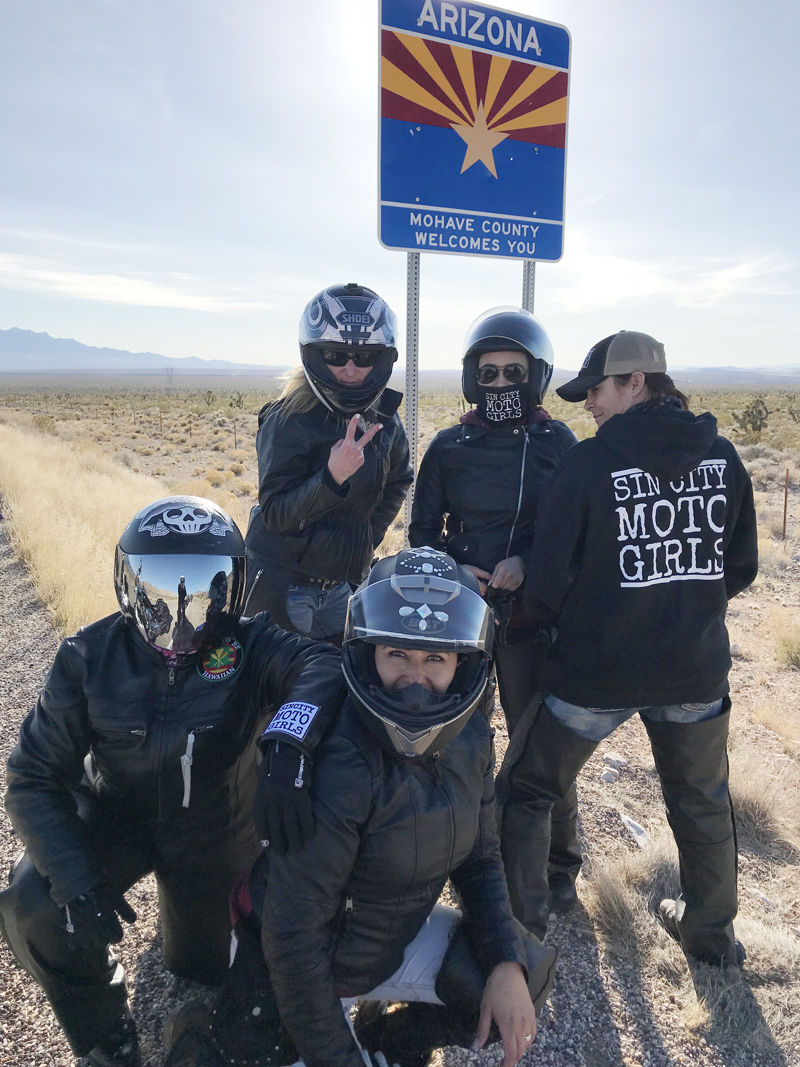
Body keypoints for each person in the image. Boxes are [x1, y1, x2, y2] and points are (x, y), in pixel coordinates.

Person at [164, 549, 557, 1067]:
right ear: (368, 651)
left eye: (435, 658)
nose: (415, 680)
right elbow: (291, 938)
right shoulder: (338, 761)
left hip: (390, 942)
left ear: (463, 662)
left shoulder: (471, 740)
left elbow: (481, 860)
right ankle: (200, 1027)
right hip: (301, 963)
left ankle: (392, 1041)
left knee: (530, 972)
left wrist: (506, 964)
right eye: (397, 653)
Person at [0, 496, 345, 1067]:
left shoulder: (250, 644)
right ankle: (105, 1036)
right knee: (35, 905)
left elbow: (323, 666)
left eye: (204, 590)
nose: (180, 615)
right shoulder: (87, 656)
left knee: (201, 970)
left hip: (217, 836)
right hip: (117, 819)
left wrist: (288, 737)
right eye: (158, 589)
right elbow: (31, 777)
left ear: (232, 589)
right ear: (126, 584)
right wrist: (74, 879)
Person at [498, 331, 758, 966]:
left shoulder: (590, 464)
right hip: (693, 671)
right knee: (702, 801)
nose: (587, 402)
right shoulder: (723, 459)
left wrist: (524, 623)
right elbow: (742, 566)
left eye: (596, 389)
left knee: (528, 791)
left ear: (636, 382)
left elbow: (551, 576)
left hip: (595, 674)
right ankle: (711, 938)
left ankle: (518, 938)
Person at [408, 307, 581, 909]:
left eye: (514, 373)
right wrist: (455, 565)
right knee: (461, 738)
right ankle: (463, 856)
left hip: (534, 614)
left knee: (539, 742)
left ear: (536, 376)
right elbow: (422, 532)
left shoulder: (559, 443)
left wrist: (529, 562)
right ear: (470, 378)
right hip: (464, 614)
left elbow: (574, 530)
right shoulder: (449, 447)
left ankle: (558, 865)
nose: (501, 385)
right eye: (489, 374)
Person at [244, 282, 413, 641]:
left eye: (364, 358)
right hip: (282, 579)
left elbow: (400, 479)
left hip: (339, 586)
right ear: (317, 356)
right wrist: (331, 478)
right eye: (336, 357)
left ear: (381, 359)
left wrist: (364, 537)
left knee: (338, 678)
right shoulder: (288, 419)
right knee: (276, 684)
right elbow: (274, 512)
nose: (350, 370)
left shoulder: (383, 419)